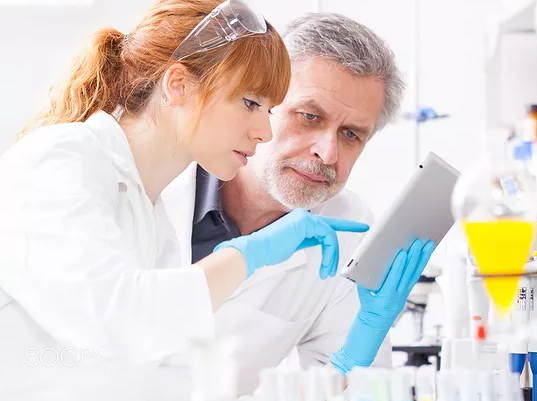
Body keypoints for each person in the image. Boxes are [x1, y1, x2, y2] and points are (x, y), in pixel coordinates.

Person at [0, 1, 369, 400]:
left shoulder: (152, 218)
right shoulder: (58, 160)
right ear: (178, 84)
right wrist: (246, 256)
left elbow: (162, 384)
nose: (264, 131)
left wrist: (351, 358)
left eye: (269, 110)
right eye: (250, 103)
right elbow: (119, 320)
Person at [161, 13, 436, 396]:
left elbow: (347, 388)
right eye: (309, 116)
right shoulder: (158, 185)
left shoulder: (347, 228)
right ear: (260, 101)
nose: (328, 152)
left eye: (351, 134)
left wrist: (359, 355)